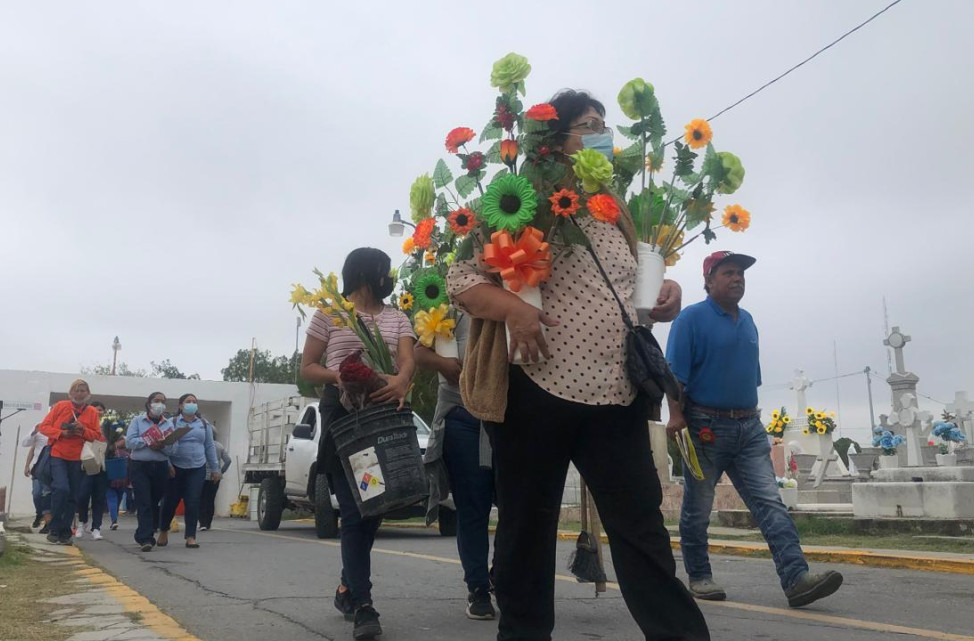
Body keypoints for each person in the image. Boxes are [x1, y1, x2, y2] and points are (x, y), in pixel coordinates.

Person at [447, 90, 708, 641]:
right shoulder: (521, 199)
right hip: (535, 391)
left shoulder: (612, 210)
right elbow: (462, 280)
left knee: (641, 530)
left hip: (616, 393)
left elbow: (630, 292)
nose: (601, 136)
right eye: (588, 125)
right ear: (554, 138)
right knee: (526, 531)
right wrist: (514, 310)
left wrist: (666, 294)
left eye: (604, 126)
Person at [665, 251, 843, 608]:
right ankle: (699, 576)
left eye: (741, 274)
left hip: (748, 427)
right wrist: (675, 415)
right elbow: (673, 375)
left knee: (770, 502)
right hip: (704, 426)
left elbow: (749, 378)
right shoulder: (690, 319)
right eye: (729, 273)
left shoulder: (748, 322)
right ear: (709, 280)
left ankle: (797, 579)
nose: (737, 279)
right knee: (698, 508)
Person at [300, 247, 416, 640]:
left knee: (374, 509)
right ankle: (364, 606)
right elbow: (307, 368)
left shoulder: (398, 317)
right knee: (354, 511)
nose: (389, 278)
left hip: (383, 416)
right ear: (367, 274)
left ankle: (347, 587)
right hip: (345, 420)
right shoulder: (329, 314)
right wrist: (340, 376)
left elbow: (407, 360)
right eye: (385, 271)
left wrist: (400, 381)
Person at [415, 310, 496, 620]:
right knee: (473, 507)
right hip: (462, 417)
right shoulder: (447, 311)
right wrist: (442, 363)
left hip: (510, 418)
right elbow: (419, 353)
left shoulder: (518, 296)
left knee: (517, 506)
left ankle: (501, 574)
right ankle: (478, 588)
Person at [39, 379, 102, 545]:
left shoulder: (92, 412)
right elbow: (43, 427)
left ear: (88, 393)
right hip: (58, 454)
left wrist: (82, 429)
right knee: (61, 488)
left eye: (83, 390)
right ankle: (54, 527)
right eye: (76, 390)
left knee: (73, 495)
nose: (79, 393)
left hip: (78, 457)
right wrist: (61, 433)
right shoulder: (61, 406)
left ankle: (65, 531)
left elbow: (96, 435)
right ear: (70, 393)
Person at [157, 394, 219, 549]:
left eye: (194, 402)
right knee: (170, 501)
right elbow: (163, 446)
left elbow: (209, 446)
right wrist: (168, 465)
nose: (192, 404)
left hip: (197, 467)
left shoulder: (204, 424)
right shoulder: (172, 422)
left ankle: (191, 536)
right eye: (188, 402)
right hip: (175, 467)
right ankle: (163, 530)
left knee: (193, 501)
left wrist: (215, 468)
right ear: (180, 406)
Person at [125, 392, 174, 552]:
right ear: (149, 403)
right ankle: (146, 538)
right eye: (156, 400)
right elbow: (130, 442)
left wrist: (162, 445)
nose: (160, 404)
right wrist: (148, 441)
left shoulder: (168, 424)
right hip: (140, 466)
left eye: (163, 401)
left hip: (160, 467)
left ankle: (144, 531)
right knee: (144, 500)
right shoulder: (137, 421)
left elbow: (173, 449)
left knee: (154, 501)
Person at [74, 401, 109, 541]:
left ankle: (96, 528)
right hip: (86, 465)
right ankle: (82, 522)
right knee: (82, 496)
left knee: (99, 498)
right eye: (95, 409)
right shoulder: (83, 425)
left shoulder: (107, 428)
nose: (97, 412)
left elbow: (116, 444)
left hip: (102, 466)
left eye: (100, 409)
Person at [198, 425, 232, 532]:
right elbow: (228, 460)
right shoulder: (220, 446)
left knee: (201, 499)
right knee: (211, 499)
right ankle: (208, 523)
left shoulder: (201, 445)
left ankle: (202, 523)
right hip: (215, 477)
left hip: (202, 476)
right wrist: (221, 471)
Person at [21, 423, 51, 531]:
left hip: (51, 468)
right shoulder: (40, 427)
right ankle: (39, 514)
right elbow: (27, 444)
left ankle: (48, 523)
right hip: (37, 468)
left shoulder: (60, 428)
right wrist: (27, 466)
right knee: (36, 494)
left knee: (47, 495)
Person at [103, 413, 129, 531]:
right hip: (121, 476)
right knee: (116, 497)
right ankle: (114, 519)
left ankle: (114, 519)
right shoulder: (124, 453)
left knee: (113, 498)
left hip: (111, 476)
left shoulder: (107, 447)